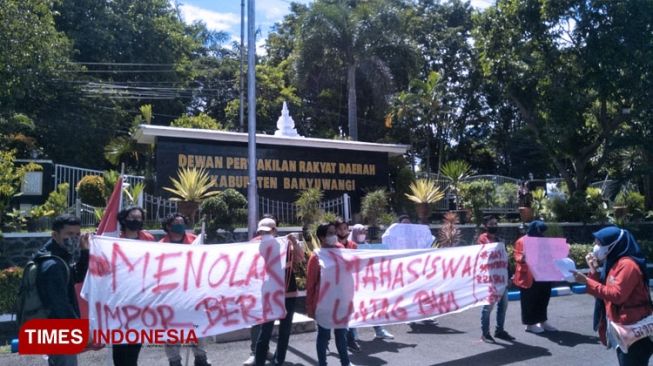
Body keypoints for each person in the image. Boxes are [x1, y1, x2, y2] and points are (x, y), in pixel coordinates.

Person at [572, 227, 653, 366]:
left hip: (634, 330)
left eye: (599, 243)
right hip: (622, 328)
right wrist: (593, 270)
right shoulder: (613, 262)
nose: (596, 247)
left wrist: (587, 281)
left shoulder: (628, 265)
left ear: (614, 244)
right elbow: (604, 290)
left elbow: (617, 295)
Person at [35, 214, 90, 366]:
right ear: (55, 235)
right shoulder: (52, 264)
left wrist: (84, 251)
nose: (74, 238)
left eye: (77, 234)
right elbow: (60, 305)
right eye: (69, 234)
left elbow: (76, 277)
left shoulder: (58, 258)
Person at [160, 213, 211, 366]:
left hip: (192, 292)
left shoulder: (195, 241)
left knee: (197, 325)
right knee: (171, 328)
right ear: (168, 226)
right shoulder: (160, 246)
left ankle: (200, 357)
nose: (180, 225)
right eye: (176, 223)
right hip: (170, 295)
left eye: (182, 222)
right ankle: (174, 360)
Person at [252, 217, 305, 366]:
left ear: (275, 230)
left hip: (288, 291)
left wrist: (294, 242)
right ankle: (259, 361)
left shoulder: (286, 243)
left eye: (267, 231)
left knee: (285, 329)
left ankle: (278, 360)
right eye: (262, 231)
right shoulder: (255, 245)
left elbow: (300, 258)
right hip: (269, 293)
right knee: (266, 329)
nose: (264, 234)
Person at [306, 222, 356, 366]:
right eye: (330, 233)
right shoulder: (316, 256)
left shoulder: (344, 252)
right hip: (324, 305)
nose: (334, 236)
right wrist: (310, 307)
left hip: (342, 303)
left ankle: (345, 362)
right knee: (323, 335)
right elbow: (310, 284)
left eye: (335, 232)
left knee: (341, 335)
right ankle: (322, 363)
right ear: (321, 237)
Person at [113, 206, 154, 366]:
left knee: (134, 344)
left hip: (140, 299)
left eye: (139, 218)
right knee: (118, 345)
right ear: (124, 219)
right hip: (118, 299)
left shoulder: (148, 239)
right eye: (132, 217)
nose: (136, 221)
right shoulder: (114, 238)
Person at [347, 224, 394, 341]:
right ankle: (353, 332)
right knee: (354, 308)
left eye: (364, 231)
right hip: (354, 283)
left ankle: (379, 330)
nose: (363, 234)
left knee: (372, 306)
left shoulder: (368, 247)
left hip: (368, 282)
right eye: (360, 232)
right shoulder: (349, 248)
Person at [513, 220, 557, 333]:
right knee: (529, 300)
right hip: (528, 275)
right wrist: (522, 258)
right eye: (539, 231)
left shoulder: (544, 241)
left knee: (543, 298)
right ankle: (529, 324)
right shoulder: (522, 241)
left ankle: (542, 321)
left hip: (543, 274)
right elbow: (517, 256)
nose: (541, 234)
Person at [477, 215, 514, 343]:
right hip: (490, 280)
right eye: (491, 224)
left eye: (495, 224)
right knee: (488, 307)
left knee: (503, 306)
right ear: (485, 226)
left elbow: (505, 259)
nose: (494, 226)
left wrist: (509, 276)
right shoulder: (482, 240)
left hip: (502, 278)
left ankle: (500, 330)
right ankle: (485, 333)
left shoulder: (500, 240)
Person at [334, 218, 361, 352]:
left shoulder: (353, 246)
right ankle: (328, 340)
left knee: (349, 314)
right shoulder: (331, 246)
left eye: (345, 228)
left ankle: (350, 340)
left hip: (350, 285)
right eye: (339, 228)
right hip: (335, 286)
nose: (342, 231)